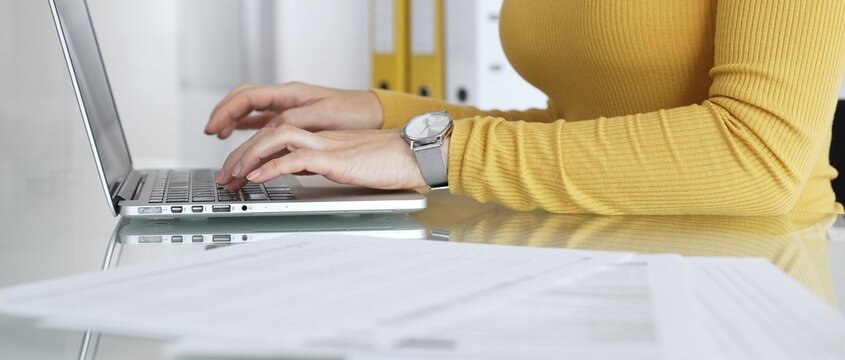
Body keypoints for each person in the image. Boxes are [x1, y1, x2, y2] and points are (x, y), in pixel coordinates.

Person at [204, 0, 845, 215]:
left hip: (747, 290)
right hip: (599, 262)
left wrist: (428, 152)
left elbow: (759, 156)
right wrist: (381, 115)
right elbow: (589, 133)